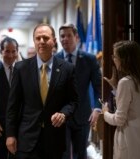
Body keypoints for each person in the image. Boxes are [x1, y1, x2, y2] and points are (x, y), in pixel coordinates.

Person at [6, 23, 78, 159]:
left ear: (54, 41)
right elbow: (13, 105)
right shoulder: (21, 68)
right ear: (34, 41)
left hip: (54, 139)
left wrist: (64, 113)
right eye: (38, 38)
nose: (41, 42)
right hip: (27, 139)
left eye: (45, 38)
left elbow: (73, 101)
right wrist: (10, 134)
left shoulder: (67, 69)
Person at [55, 23, 102, 159]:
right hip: (60, 116)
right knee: (62, 154)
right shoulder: (54, 59)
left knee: (80, 154)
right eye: (62, 36)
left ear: (76, 37)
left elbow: (98, 87)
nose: (65, 39)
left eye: (69, 35)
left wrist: (97, 109)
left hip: (83, 115)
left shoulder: (89, 59)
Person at [102, 40, 140, 159]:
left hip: (128, 143)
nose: (113, 59)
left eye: (115, 56)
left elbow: (119, 120)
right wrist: (115, 87)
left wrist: (105, 112)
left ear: (124, 60)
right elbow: (135, 104)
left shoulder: (125, 82)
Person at [0, 37, 18, 159]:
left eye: (13, 51)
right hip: (0, 126)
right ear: (1, 52)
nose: (10, 55)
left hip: (19, 126)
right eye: (7, 51)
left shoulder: (23, 70)